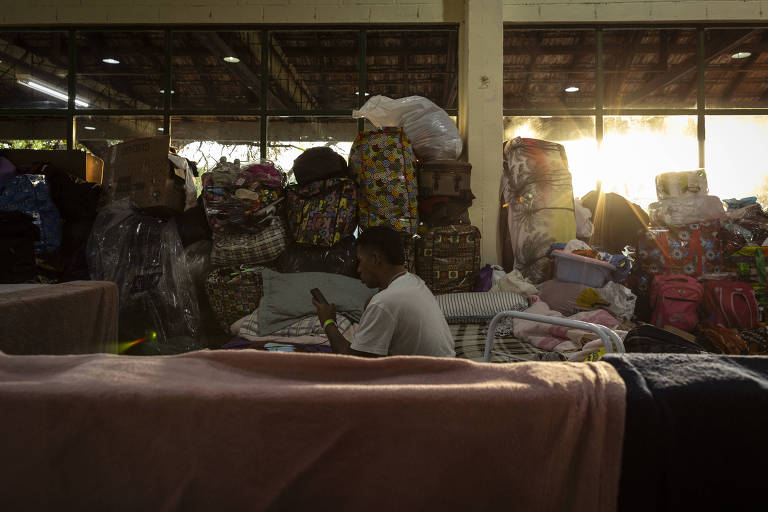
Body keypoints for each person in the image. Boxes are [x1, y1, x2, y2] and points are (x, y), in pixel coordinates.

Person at [312, 226, 455, 358]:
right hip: (444, 371)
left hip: (428, 383)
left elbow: (354, 364)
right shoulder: (413, 281)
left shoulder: (384, 302)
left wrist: (328, 322)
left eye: (360, 261)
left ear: (375, 259)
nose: (359, 269)